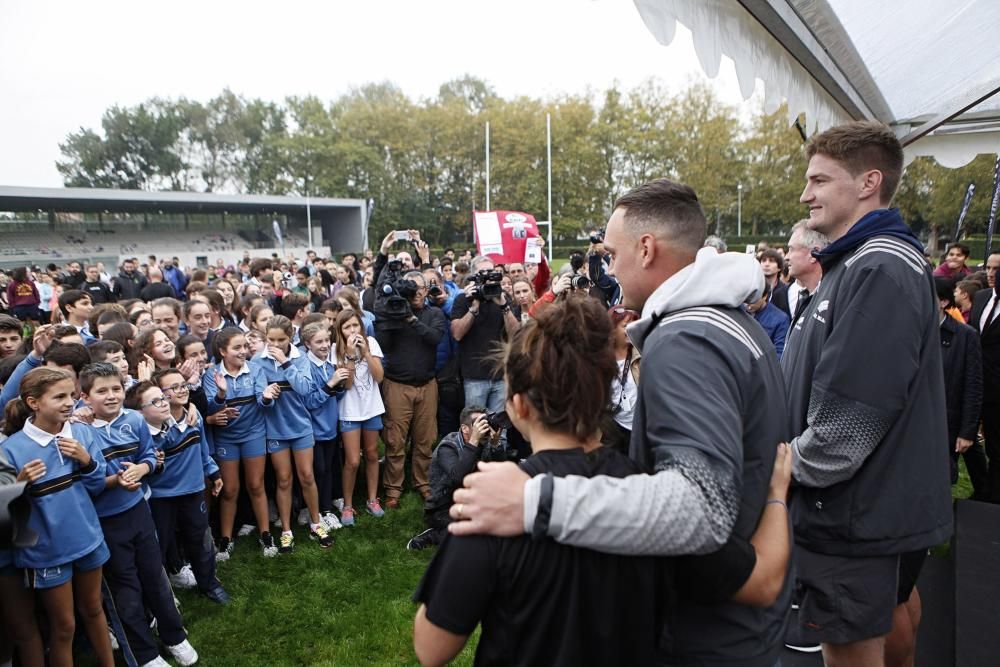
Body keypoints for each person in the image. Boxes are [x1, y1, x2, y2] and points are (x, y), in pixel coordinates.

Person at [448, 178, 792, 666]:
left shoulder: (685, 340)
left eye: (612, 253)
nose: (608, 267)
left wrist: (535, 499)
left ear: (647, 248)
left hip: (709, 633)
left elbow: (703, 507)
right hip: (742, 609)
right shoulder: (733, 318)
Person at [414, 297, 668, 666]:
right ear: (603, 390)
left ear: (519, 406)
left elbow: (431, 647)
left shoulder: (490, 501)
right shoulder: (655, 492)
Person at [781, 121, 952, 665]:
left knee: (850, 648)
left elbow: (851, 418)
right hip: (860, 508)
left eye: (819, 180)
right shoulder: (856, 261)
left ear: (867, 182)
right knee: (888, 618)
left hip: (853, 512)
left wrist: (786, 469)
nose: (806, 194)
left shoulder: (879, 265)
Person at [79, 362, 199, 667]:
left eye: (116, 389)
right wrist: (114, 481)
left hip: (139, 512)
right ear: (85, 396)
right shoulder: (78, 431)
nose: (111, 396)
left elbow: (149, 456)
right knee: (125, 589)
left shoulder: (133, 419)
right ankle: (144, 652)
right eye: (101, 391)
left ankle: (174, 635)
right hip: (105, 522)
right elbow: (84, 482)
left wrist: (142, 468)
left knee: (155, 577)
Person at [2, 367, 115, 667]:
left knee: (94, 611)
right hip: (46, 551)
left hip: (87, 538)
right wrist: (19, 485)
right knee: (64, 626)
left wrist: (87, 461)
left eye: (72, 395)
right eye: (59, 397)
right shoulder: (10, 450)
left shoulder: (81, 434)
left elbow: (97, 486)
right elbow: (5, 514)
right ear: (34, 402)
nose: (69, 403)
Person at [133, 372, 230, 604]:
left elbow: (203, 449)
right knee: (160, 545)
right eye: (173, 388)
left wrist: (213, 472)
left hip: (194, 490)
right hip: (161, 496)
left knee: (201, 539)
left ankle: (209, 583)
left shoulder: (193, 418)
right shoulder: (150, 428)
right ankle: (163, 593)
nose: (182, 390)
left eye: (184, 385)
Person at [251, 315, 332, 551]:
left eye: (281, 340)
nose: (275, 345)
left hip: (301, 426)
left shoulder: (299, 358)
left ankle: (316, 523)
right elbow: (260, 401)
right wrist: (266, 396)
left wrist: (286, 363)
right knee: (284, 479)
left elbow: (306, 389)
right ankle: (286, 529)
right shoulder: (258, 361)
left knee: (307, 475)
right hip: (275, 428)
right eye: (271, 340)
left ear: (291, 338)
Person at [203, 327, 281, 559]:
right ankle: (226, 539)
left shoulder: (255, 369)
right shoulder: (212, 375)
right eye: (237, 347)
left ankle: (266, 534)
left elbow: (263, 403)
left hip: (254, 434)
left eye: (245, 346)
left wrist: (267, 397)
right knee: (230, 489)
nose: (243, 351)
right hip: (226, 438)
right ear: (222, 351)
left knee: (256, 486)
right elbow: (211, 410)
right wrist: (220, 395)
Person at [375, 268, 445, 507]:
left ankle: (422, 483)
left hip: (427, 385)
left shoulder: (434, 313)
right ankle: (393, 490)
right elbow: (383, 344)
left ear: (426, 290)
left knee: (425, 439)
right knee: (395, 441)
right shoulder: (393, 313)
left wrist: (411, 320)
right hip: (397, 385)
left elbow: (434, 338)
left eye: (419, 288)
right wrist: (391, 317)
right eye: (411, 288)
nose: (415, 293)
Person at [406, 405, 496, 551]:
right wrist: (473, 443)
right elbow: (458, 477)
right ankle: (433, 535)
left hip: (472, 500)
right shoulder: (448, 447)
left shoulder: (483, 443)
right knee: (470, 534)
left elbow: (497, 471)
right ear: (465, 428)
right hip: (443, 507)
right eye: (478, 423)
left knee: (496, 527)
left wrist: (495, 444)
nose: (483, 427)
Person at [934, 280, 987, 498]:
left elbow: (973, 386)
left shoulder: (965, 336)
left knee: (939, 478)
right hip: (913, 421)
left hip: (947, 423)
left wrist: (967, 432)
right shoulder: (909, 330)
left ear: (943, 302)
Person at [335, 310, 386, 524]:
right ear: (340, 331)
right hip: (350, 410)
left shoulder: (371, 342)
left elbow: (379, 377)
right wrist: (350, 356)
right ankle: (347, 505)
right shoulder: (335, 350)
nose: (352, 330)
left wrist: (364, 353)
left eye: (355, 325)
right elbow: (346, 385)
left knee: (373, 454)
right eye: (347, 327)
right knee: (353, 460)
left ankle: (372, 499)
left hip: (372, 407)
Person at [451, 256, 519, 416]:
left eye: (491, 272)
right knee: (476, 425)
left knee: (499, 430)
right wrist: (473, 308)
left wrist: (504, 306)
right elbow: (457, 334)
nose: (488, 276)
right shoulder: (463, 299)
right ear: (474, 275)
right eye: (483, 273)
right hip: (474, 376)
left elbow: (516, 334)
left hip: (500, 374)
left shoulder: (503, 298)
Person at [299, 321, 349, 530]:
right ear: (307, 344)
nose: (325, 345)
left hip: (329, 426)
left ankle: (326, 510)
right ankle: (314, 511)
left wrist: (340, 384)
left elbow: (336, 396)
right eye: (319, 341)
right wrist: (330, 384)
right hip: (312, 430)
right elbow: (310, 401)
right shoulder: (305, 367)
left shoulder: (330, 365)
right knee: (316, 471)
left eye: (327, 340)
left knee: (328, 469)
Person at [970, 249, 1000, 502]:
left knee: (995, 447)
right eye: (988, 268)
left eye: (997, 269)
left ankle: (992, 496)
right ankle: (982, 488)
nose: (991, 274)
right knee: (966, 442)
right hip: (973, 385)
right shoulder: (980, 297)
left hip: (997, 391)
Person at [601, 305, 640, 453]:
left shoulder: (641, 353)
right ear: (612, 329)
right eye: (625, 326)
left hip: (638, 428)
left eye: (633, 325)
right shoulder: (600, 359)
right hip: (612, 427)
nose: (630, 329)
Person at [780, 220, 828, 331]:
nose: (786, 257)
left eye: (791, 249)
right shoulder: (806, 297)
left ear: (814, 253)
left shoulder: (829, 302)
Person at [745, 282, 789, 358]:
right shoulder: (740, 311)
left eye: (753, 301)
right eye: (745, 301)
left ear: (765, 296)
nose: (748, 306)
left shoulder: (780, 319)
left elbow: (780, 353)